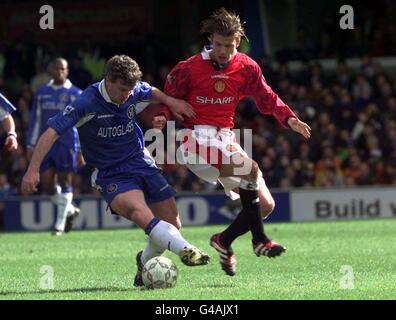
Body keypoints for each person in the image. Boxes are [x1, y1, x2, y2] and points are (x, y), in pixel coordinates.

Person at [21, 54, 210, 287]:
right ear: (108, 80)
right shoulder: (86, 102)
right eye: (121, 90)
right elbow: (51, 133)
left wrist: (171, 102)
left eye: (129, 90)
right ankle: (187, 250)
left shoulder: (133, 89)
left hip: (140, 161)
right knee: (140, 212)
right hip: (110, 172)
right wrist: (32, 170)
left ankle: (144, 260)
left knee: (173, 224)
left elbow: (150, 91)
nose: (127, 96)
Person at [154, 8, 311, 276]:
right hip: (194, 139)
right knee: (250, 169)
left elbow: (267, 98)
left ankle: (223, 241)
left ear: (237, 42)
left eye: (229, 45)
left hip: (225, 138)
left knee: (265, 206)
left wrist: (290, 119)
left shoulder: (247, 67)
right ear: (210, 40)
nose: (223, 51)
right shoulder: (189, 68)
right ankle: (260, 241)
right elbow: (170, 98)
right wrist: (162, 116)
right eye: (218, 45)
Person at [26, 58, 83, 236]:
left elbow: (82, 123)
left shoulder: (76, 93)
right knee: (47, 185)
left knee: (66, 181)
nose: (59, 71)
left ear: (67, 71)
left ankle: (59, 225)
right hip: (46, 143)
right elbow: (35, 120)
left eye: (62, 69)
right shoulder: (42, 93)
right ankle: (70, 210)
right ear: (51, 71)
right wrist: (30, 144)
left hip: (67, 143)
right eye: (56, 68)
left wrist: (81, 149)